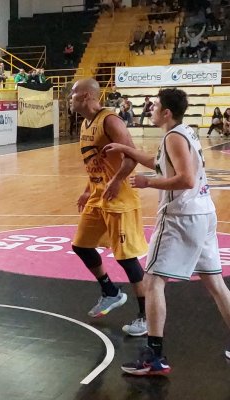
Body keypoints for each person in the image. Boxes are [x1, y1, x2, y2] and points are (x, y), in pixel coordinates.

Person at [103, 88, 230, 375]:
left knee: (152, 282)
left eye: (155, 105)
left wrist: (149, 184)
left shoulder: (173, 136)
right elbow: (160, 163)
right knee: (216, 285)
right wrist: (127, 150)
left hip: (181, 217)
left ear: (167, 112)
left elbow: (184, 179)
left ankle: (154, 358)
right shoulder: (183, 132)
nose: (150, 109)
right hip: (203, 213)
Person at [69, 78, 148, 336]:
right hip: (97, 196)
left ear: (87, 97)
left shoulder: (110, 120)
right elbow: (95, 164)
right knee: (81, 245)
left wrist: (116, 182)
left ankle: (146, 316)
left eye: (73, 94)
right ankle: (110, 291)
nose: (69, 98)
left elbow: (132, 156)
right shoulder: (84, 123)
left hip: (118, 198)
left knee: (127, 258)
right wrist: (86, 189)